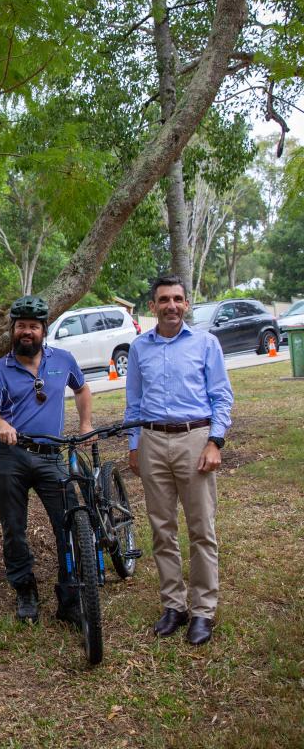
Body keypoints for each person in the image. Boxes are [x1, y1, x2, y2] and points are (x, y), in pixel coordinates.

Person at [125, 274, 233, 646]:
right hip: (153, 440)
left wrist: (215, 442)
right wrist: (134, 444)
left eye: (178, 299)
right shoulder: (139, 348)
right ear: (152, 306)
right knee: (162, 528)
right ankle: (174, 605)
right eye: (164, 300)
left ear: (187, 303)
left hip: (195, 439)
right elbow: (134, 402)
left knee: (202, 530)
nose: (172, 306)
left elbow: (221, 396)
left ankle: (203, 610)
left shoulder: (206, 343)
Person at [0, 295, 94, 626]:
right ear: (13, 331)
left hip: (50, 456)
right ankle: (25, 590)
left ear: (44, 330)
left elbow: (83, 390)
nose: (27, 332)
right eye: (21, 326)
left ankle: (70, 595)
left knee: (69, 524)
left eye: (33, 326)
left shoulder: (63, 359)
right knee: (14, 530)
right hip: (11, 458)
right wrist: (0, 424)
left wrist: (86, 424)